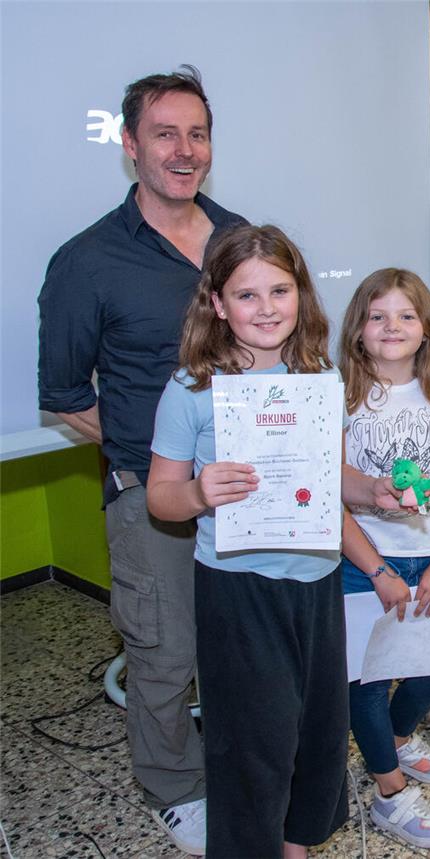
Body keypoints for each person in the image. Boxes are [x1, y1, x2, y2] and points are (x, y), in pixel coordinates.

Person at [36, 66, 245, 855]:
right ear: (130, 145)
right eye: (164, 134)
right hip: (151, 501)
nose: (184, 150)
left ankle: (235, 763)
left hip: (245, 489)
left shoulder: (238, 238)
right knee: (164, 651)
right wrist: (155, 461)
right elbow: (66, 393)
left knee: (236, 643)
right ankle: (175, 788)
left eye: (197, 134)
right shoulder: (87, 260)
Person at [147, 226, 347, 857]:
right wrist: (198, 491)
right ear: (217, 303)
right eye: (246, 295)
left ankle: (297, 845)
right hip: (237, 589)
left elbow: (333, 475)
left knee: (318, 731)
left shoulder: (319, 375)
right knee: (253, 742)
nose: (266, 309)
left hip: (317, 580)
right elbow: (160, 496)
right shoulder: (191, 388)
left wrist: (378, 491)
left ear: (301, 294)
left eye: (280, 291)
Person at [338, 268, 430, 850]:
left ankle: (395, 740)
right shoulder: (340, 395)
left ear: (426, 328)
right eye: (377, 316)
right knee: (367, 681)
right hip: (362, 564)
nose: (391, 326)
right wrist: (376, 569)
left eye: (405, 315)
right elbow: (326, 491)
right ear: (358, 328)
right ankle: (389, 791)